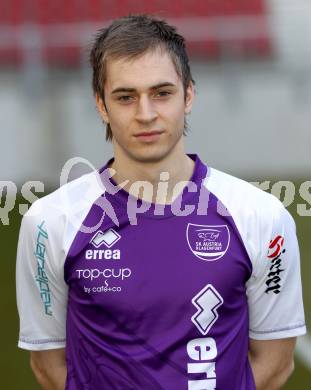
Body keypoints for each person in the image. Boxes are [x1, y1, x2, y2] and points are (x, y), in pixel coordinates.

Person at [16, 14, 306, 390]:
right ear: (101, 105)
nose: (146, 114)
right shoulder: (50, 222)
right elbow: (48, 363)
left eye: (162, 93)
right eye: (125, 97)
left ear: (188, 95)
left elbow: (276, 361)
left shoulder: (261, 216)